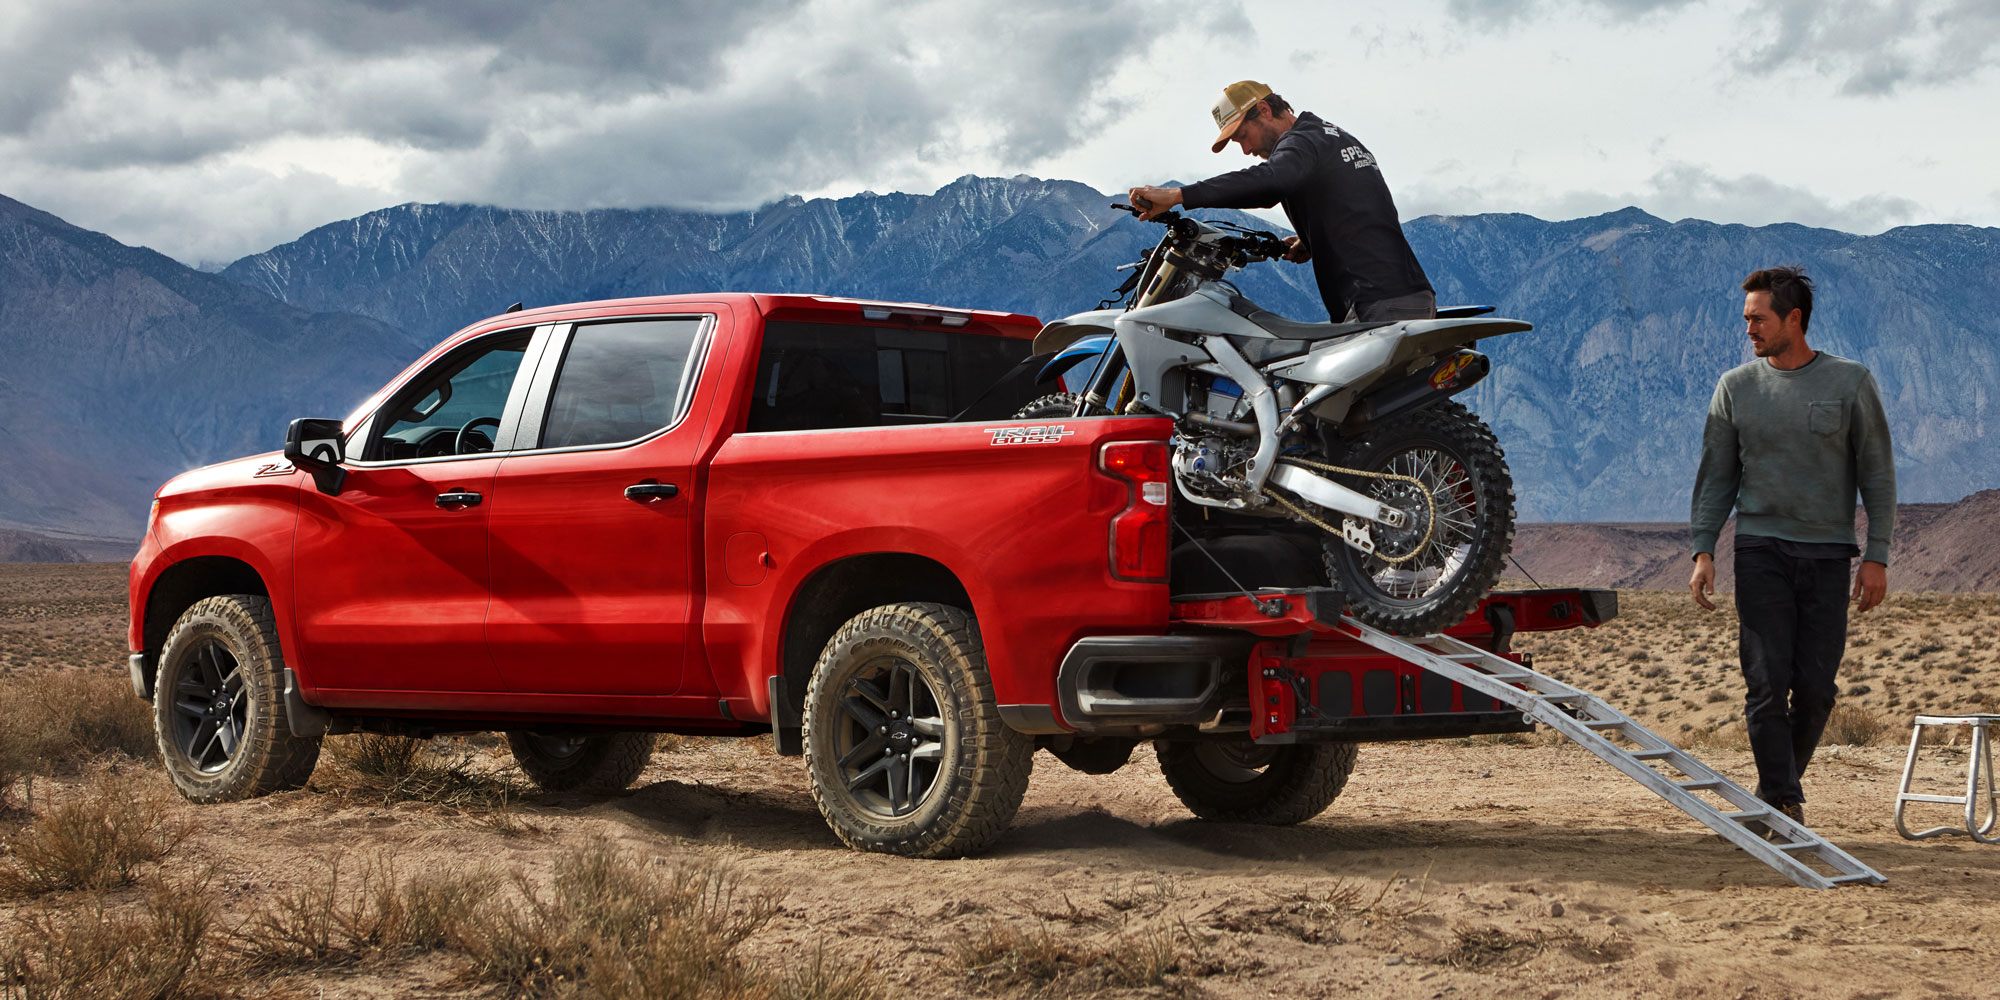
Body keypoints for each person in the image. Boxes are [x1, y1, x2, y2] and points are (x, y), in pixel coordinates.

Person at [1688, 266, 1896, 828]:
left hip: (1830, 554)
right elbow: (1716, 478)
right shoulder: (1736, 387)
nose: (1749, 329)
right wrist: (1704, 550)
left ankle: (1772, 794)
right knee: (1764, 685)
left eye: (1759, 318)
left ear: (1793, 319)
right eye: (1746, 319)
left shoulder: (1850, 382)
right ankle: (1785, 801)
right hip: (1760, 550)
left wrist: (1876, 554)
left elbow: (1877, 473)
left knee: (1816, 692)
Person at [1127, 80, 1434, 322]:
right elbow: (1355, 204)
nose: (1246, 149)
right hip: (1398, 293)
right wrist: (1311, 239)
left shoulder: (1299, 141)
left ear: (1263, 110)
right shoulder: (1330, 137)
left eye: (1243, 135)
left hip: (1378, 303)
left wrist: (1179, 195)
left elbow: (1271, 182)